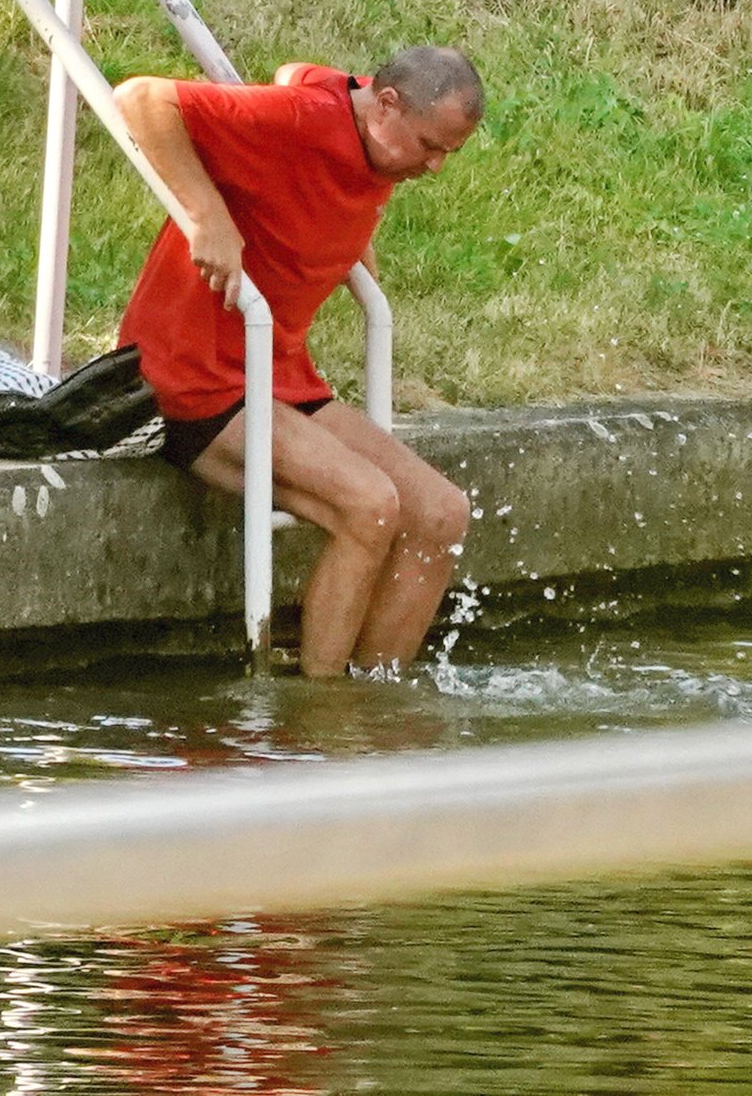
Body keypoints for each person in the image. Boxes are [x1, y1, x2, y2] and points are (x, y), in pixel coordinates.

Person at [114, 46, 484, 679]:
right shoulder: (299, 119)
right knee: (368, 505)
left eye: (450, 151)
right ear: (387, 106)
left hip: (277, 373)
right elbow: (140, 98)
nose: (438, 166)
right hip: (193, 379)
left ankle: (376, 703)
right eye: (429, 145)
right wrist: (208, 214)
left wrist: (348, 225)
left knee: (441, 513)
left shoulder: (359, 112)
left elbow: (298, 70)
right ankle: (323, 717)